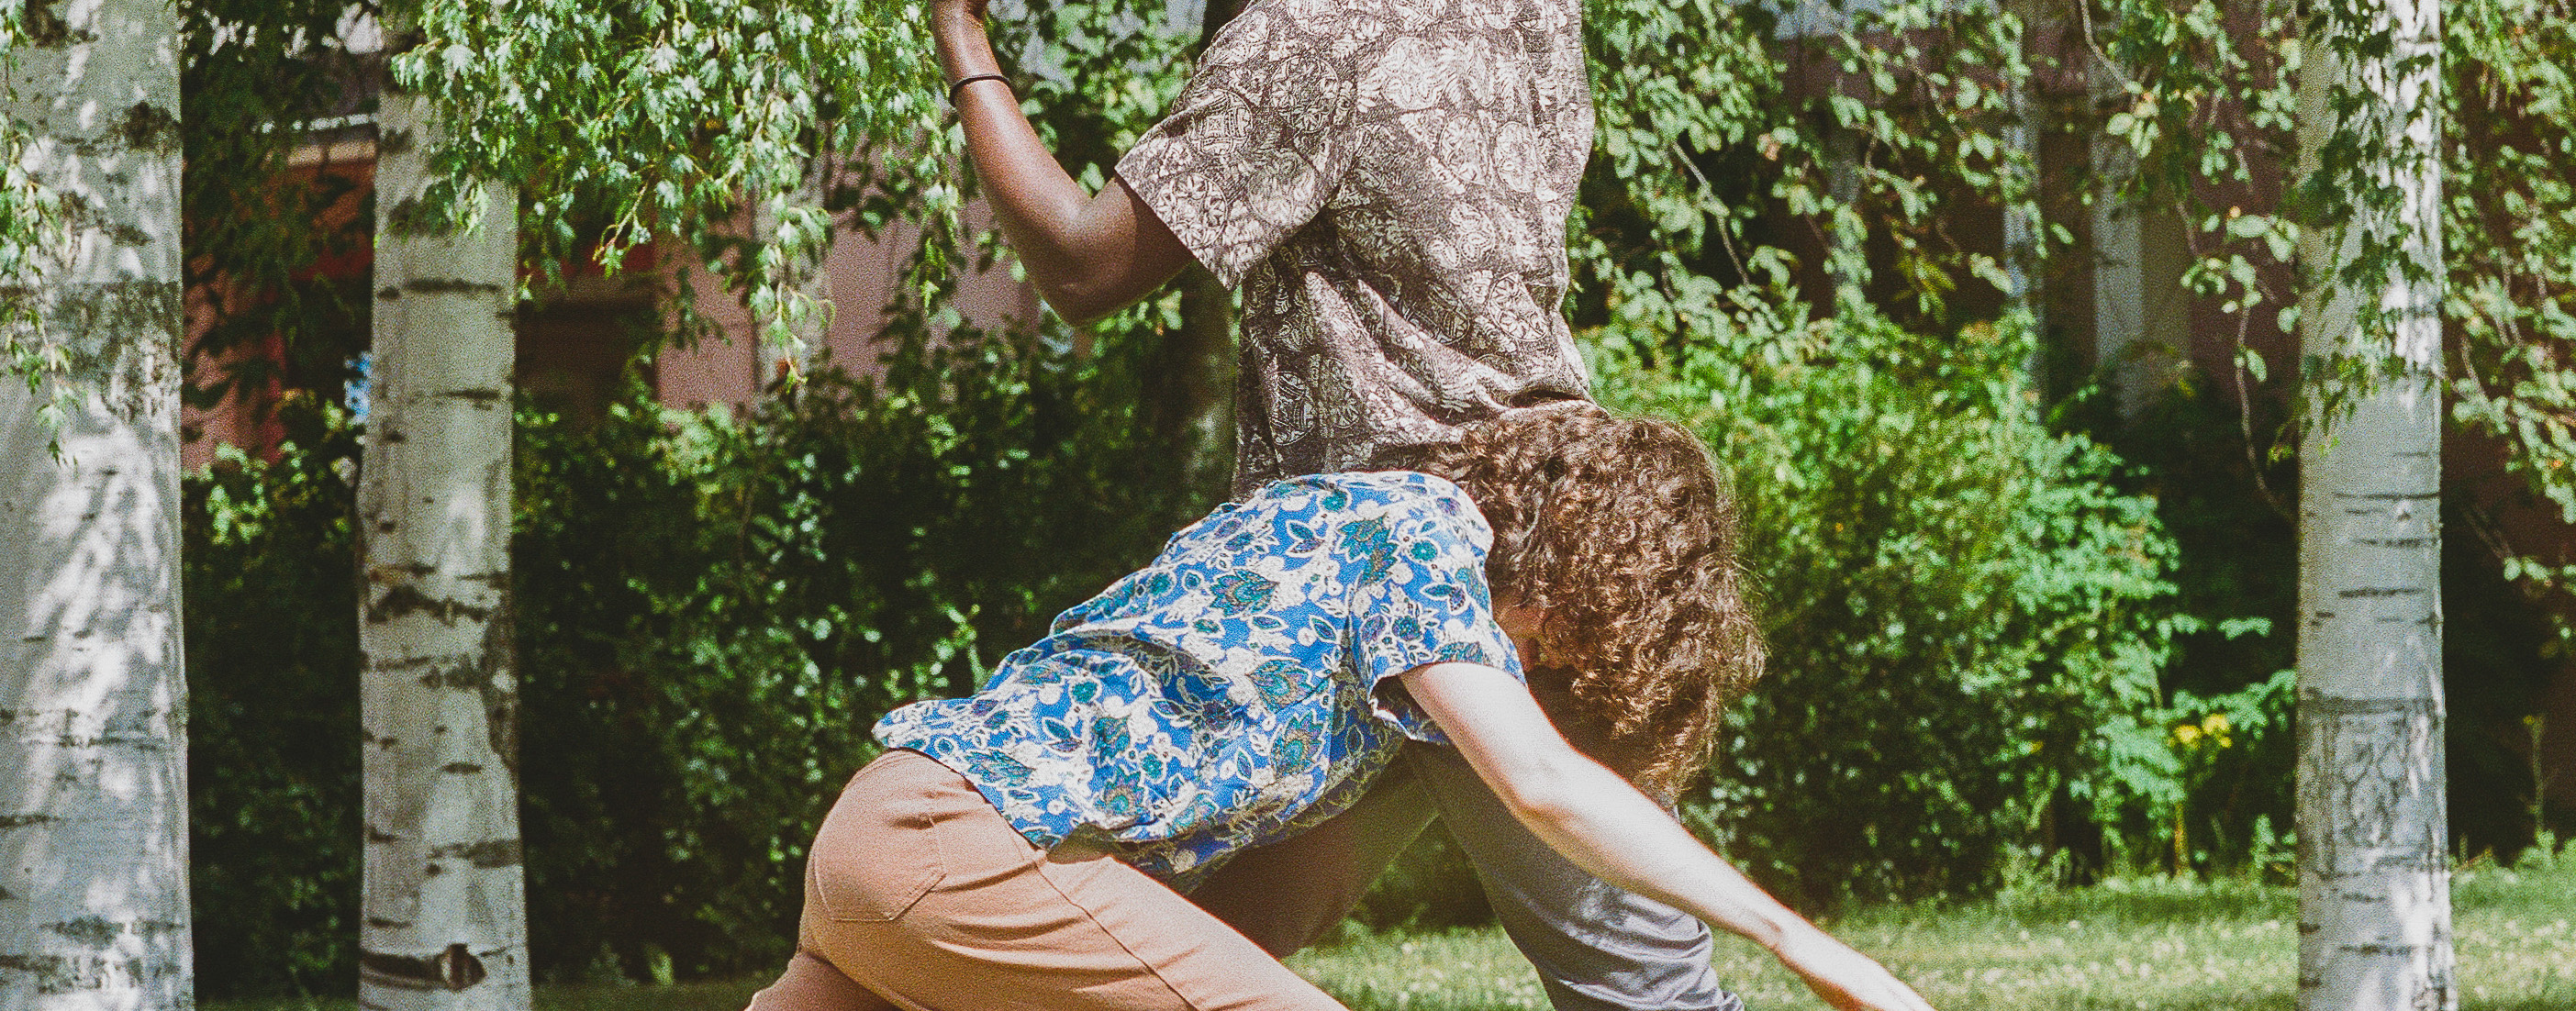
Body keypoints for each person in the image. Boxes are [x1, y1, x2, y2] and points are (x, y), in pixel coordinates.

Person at [920, 0, 1751, 1007]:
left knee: (1643, 983)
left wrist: (962, 29)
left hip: (1414, 569)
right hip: (1555, 512)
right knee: (1206, 939)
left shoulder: (1317, 17)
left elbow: (1080, 261)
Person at [744, 406, 1935, 1011]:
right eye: (1580, 637)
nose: (1553, 665)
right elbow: (1544, 784)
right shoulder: (1423, 534)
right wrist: (1806, 942)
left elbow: (1262, 914)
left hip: (879, 837)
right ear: (1588, 574)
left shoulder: (1343, 561)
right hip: (983, 847)